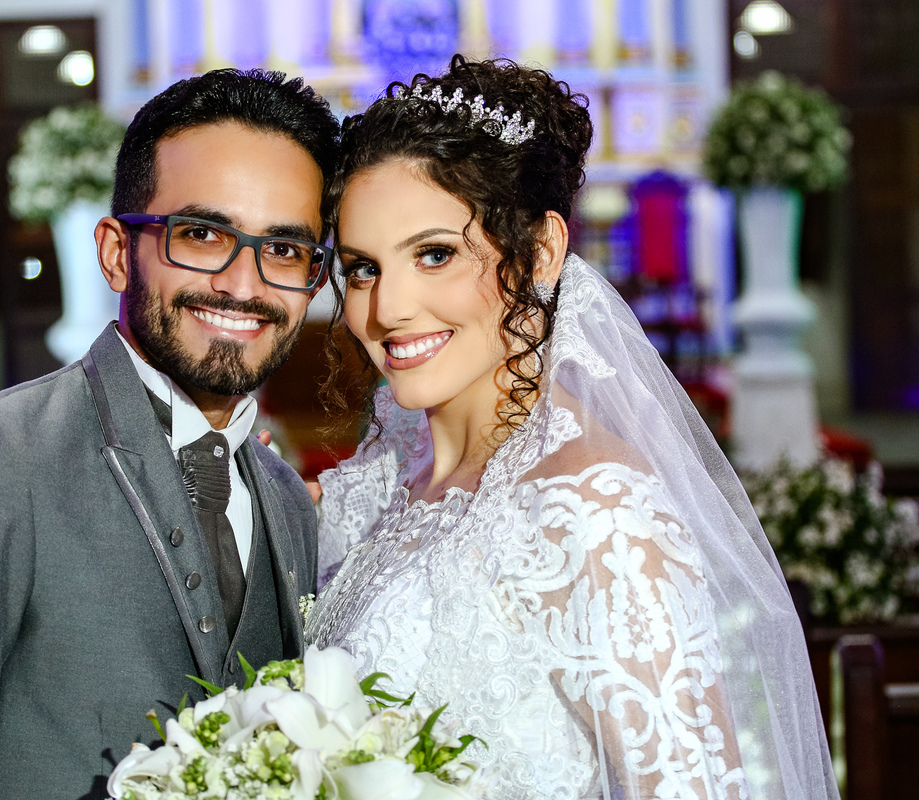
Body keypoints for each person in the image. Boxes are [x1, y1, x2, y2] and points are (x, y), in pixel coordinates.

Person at [307, 55, 839, 800]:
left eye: (435, 255)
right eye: (362, 267)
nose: (387, 308)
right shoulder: (377, 489)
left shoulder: (595, 511)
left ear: (541, 252)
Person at [0, 69, 335, 800]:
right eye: (202, 235)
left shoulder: (286, 498)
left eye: (284, 249)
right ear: (116, 252)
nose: (244, 285)